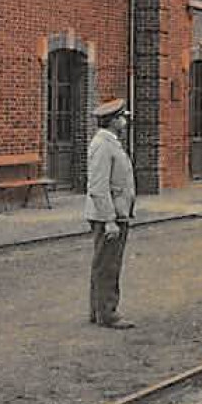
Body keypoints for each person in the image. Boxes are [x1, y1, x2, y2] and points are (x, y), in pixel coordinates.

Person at [86, 99, 136, 328]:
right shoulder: (103, 145)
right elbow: (98, 186)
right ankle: (108, 313)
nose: (125, 121)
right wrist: (109, 221)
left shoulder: (109, 143)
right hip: (110, 215)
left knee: (104, 263)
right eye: (122, 117)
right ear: (113, 121)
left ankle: (98, 311)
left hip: (116, 213)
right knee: (108, 265)